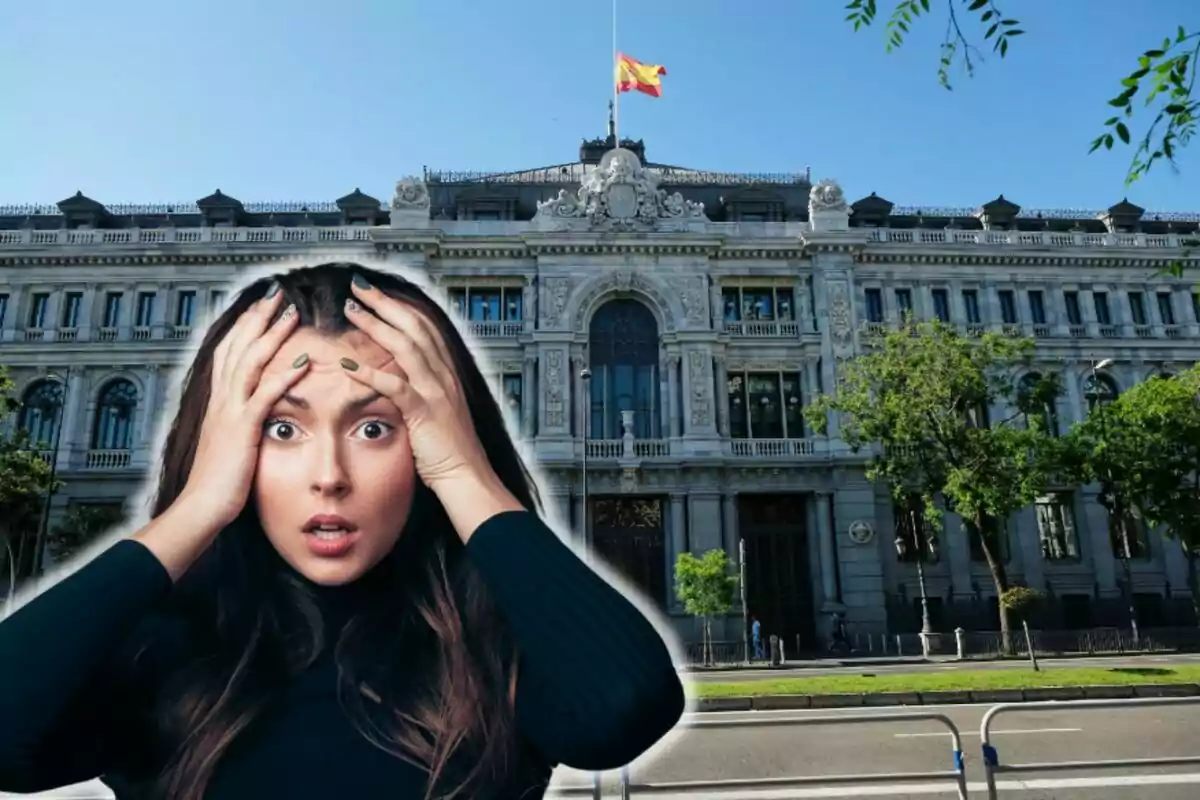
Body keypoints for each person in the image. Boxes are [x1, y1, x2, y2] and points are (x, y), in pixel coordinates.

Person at [0, 262, 686, 800]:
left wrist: (464, 471)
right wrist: (200, 503)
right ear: (223, 443)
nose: (329, 475)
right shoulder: (163, 656)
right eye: (281, 427)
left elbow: (623, 707)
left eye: (374, 427)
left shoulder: (492, 653)